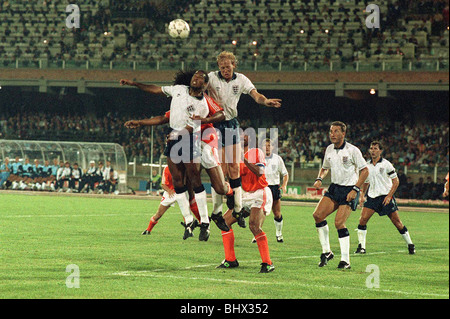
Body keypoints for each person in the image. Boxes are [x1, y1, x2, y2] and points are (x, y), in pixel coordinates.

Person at [124, 73, 233, 233]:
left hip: (203, 139)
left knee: (217, 187)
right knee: (180, 182)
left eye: (200, 77)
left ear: (205, 84)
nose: (195, 78)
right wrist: (140, 120)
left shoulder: (204, 103)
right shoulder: (179, 92)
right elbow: (162, 115)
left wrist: (205, 121)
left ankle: (227, 194)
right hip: (179, 137)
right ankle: (194, 222)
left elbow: (221, 114)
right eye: (194, 75)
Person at [206, 51, 282, 228]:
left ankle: (237, 208)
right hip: (215, 124)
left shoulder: (241, 80)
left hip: (231, 123)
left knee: (234, 167)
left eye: (228, 66)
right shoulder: (210, 78)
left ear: (234, 64)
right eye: (222, 66)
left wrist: (265, 101)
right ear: (218, 67)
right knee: (220, 169)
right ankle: (217, 210)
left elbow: (255, 95)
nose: (225, 69)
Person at [312, 121, 369, 269]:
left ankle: (345, 261)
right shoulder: (329, 149)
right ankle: (327, 252)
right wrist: (319, 178)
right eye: (331, 131)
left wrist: (356, 189)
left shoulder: (353, 150)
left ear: (343, 134)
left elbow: (365, 171)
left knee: (339, 223)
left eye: (336, 131)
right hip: (334, 188)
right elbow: (325, 168)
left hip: (350, 189)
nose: (332, 134)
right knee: (318, 215)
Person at [218, 132, 275, 273]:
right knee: (224, 222)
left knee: (254, 226)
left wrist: (243, 158)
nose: (242, 135)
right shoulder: (234, 155)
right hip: (245, 194)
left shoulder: (256, 152)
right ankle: (230, 260)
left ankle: (267, 263)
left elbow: (260, 171)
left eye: (245, 134)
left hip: (260, 192)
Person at [356, 141, 415, 255]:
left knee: (397, 223)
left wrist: (389, 196)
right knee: (362, 220)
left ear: (380, 151)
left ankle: (410, 244)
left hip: (385, 197)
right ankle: (362, 247)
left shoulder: (387, 164)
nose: (373, 150)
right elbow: (366, 182)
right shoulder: (367, 166)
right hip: (372, 197)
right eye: (371, 148)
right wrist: (362, 195)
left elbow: (396, 181)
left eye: (375, 148)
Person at [142, 166, 201, 236]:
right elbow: (163, 184)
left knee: (186, 213)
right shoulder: (167, 168)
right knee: (158, 214)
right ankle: (148, 230)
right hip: (169, 194)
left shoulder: (184, 167)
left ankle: (190, 230)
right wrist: (169, 190)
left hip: (181, 192)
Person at [257, 138, 289, 243]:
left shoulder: (277, 159)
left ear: (273, 147)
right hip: (262, 187)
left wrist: (284, 185)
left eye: (269, 145)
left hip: (274, 187)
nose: (267, 147)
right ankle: (257, 234)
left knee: (277, 213)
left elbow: (285, 174)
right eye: (264, 145)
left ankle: (279, 234)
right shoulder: (258, 158)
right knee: (260, 212)